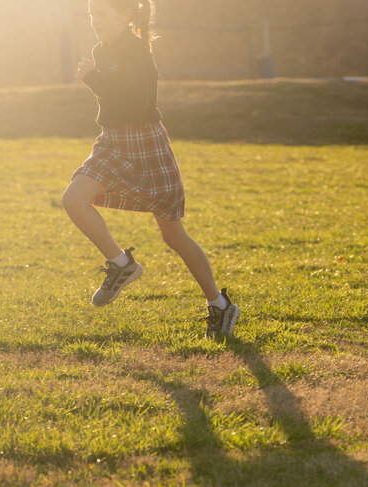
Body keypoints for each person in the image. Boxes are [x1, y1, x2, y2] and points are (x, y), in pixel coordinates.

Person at [62, 0, 238, 338]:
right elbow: (113, 102)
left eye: (101, 14)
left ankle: (219, 305)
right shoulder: (102, 51)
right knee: (73, 199)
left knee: (173, 235)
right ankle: (121, 265)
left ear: (127, 14)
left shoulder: (137, 51)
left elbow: (137, 103)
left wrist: (93, 79)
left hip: (146, 144)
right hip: (112, 142)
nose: (94, 21)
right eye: (90, 15)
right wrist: (96, 77)